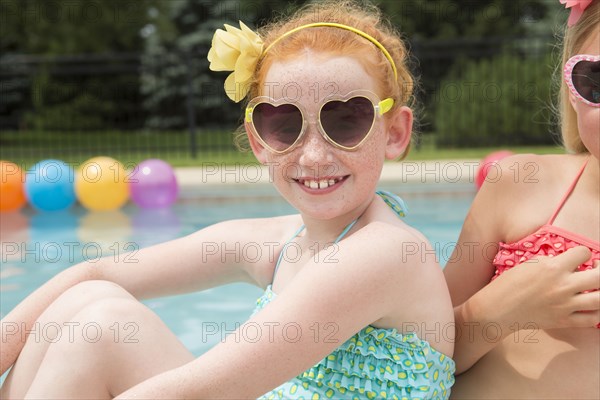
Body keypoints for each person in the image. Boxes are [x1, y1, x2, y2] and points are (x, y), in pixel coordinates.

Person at [0, 1, 456, 398]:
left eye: (346, 120)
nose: (315, 154)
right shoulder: (281, 243)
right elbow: (95, 271)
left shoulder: (388, 251)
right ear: (259, 142)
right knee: (92, 297)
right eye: (283, 124)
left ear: (395, 132)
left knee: (99, 328)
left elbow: (203, 392)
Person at [444, 1, 599, 398]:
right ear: (573, 90)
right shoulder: (519, 184)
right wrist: (497, 311)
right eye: (598, 81)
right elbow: (410, 356)